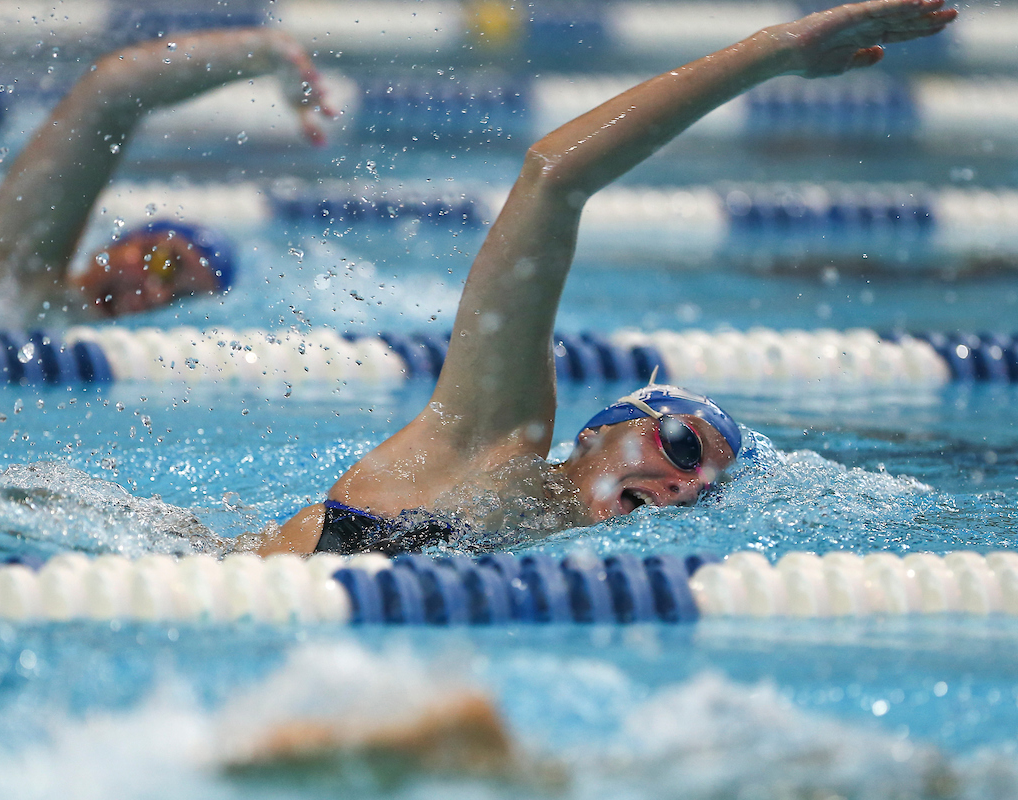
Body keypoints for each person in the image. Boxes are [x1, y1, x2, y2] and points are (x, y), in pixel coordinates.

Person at [259, 0, 956, 556]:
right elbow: (554, 176)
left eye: (703, 486)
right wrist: (771, 52)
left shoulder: (555, 555)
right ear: (593, 434)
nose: (687, 486)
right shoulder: (489, 448)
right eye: (682, 446)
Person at [0, 28, 335, 319]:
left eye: (179, 299)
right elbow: (113, 92)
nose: (154, 293)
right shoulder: (19, 268)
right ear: (125, 241)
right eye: (165, 264)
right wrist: (263, 53)